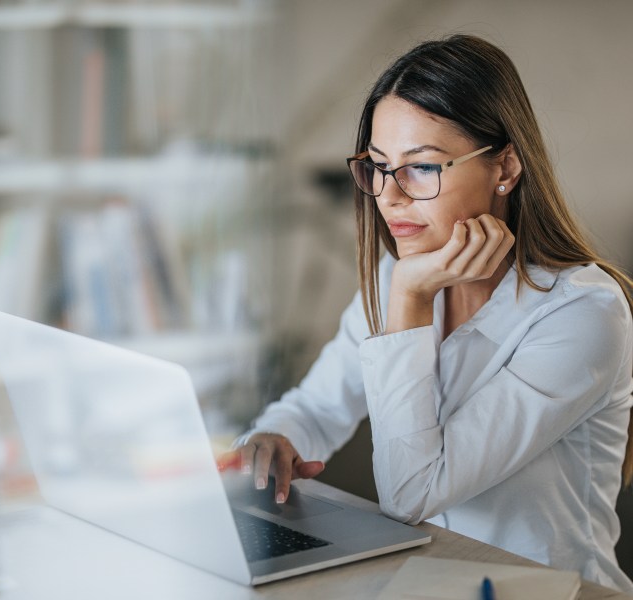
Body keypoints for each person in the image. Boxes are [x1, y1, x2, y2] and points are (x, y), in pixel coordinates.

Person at [217, 34, 633, 591]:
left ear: (505, 166)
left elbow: (412, 492)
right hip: (430, 583)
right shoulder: (400, 276)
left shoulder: (582, 315)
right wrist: (274, 436)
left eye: (423, 167)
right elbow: (316, 409)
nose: (389, 196)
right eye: (379, 167)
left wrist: (411, 300)